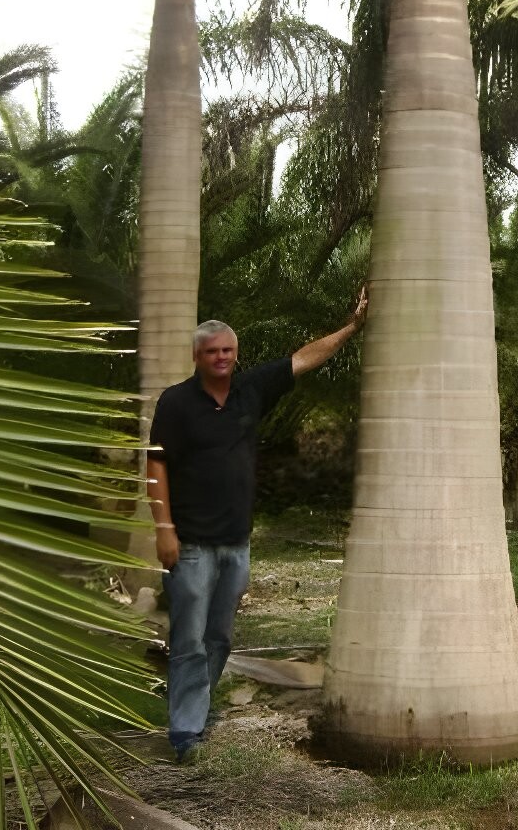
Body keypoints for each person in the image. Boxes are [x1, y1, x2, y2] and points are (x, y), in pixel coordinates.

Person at [147, 288, 369, 761]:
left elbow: (304, 358)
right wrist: (163, 529)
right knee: (188, 637)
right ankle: (185, 731)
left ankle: (195, 708)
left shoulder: (251, 390)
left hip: (236, 543)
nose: (221, 357)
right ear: (196, 356)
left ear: (236, 352)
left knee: (220, 637)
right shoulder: (176, 403)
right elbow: (156, 466)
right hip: (190, 544)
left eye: (228, 350)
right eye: (212, 351)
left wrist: (352, 327)